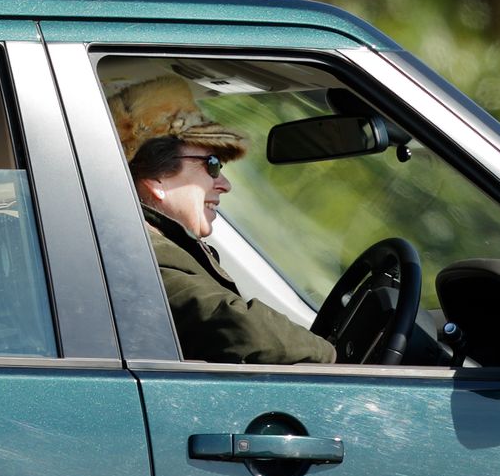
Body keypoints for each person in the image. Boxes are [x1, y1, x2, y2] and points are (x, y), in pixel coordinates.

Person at [109, 76, 335, 364]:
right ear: (157, 178)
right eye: (212, 165)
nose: (225, 184)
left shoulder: (152, 243)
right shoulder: (142, 254)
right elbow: (244, 331)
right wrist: (336, 359)